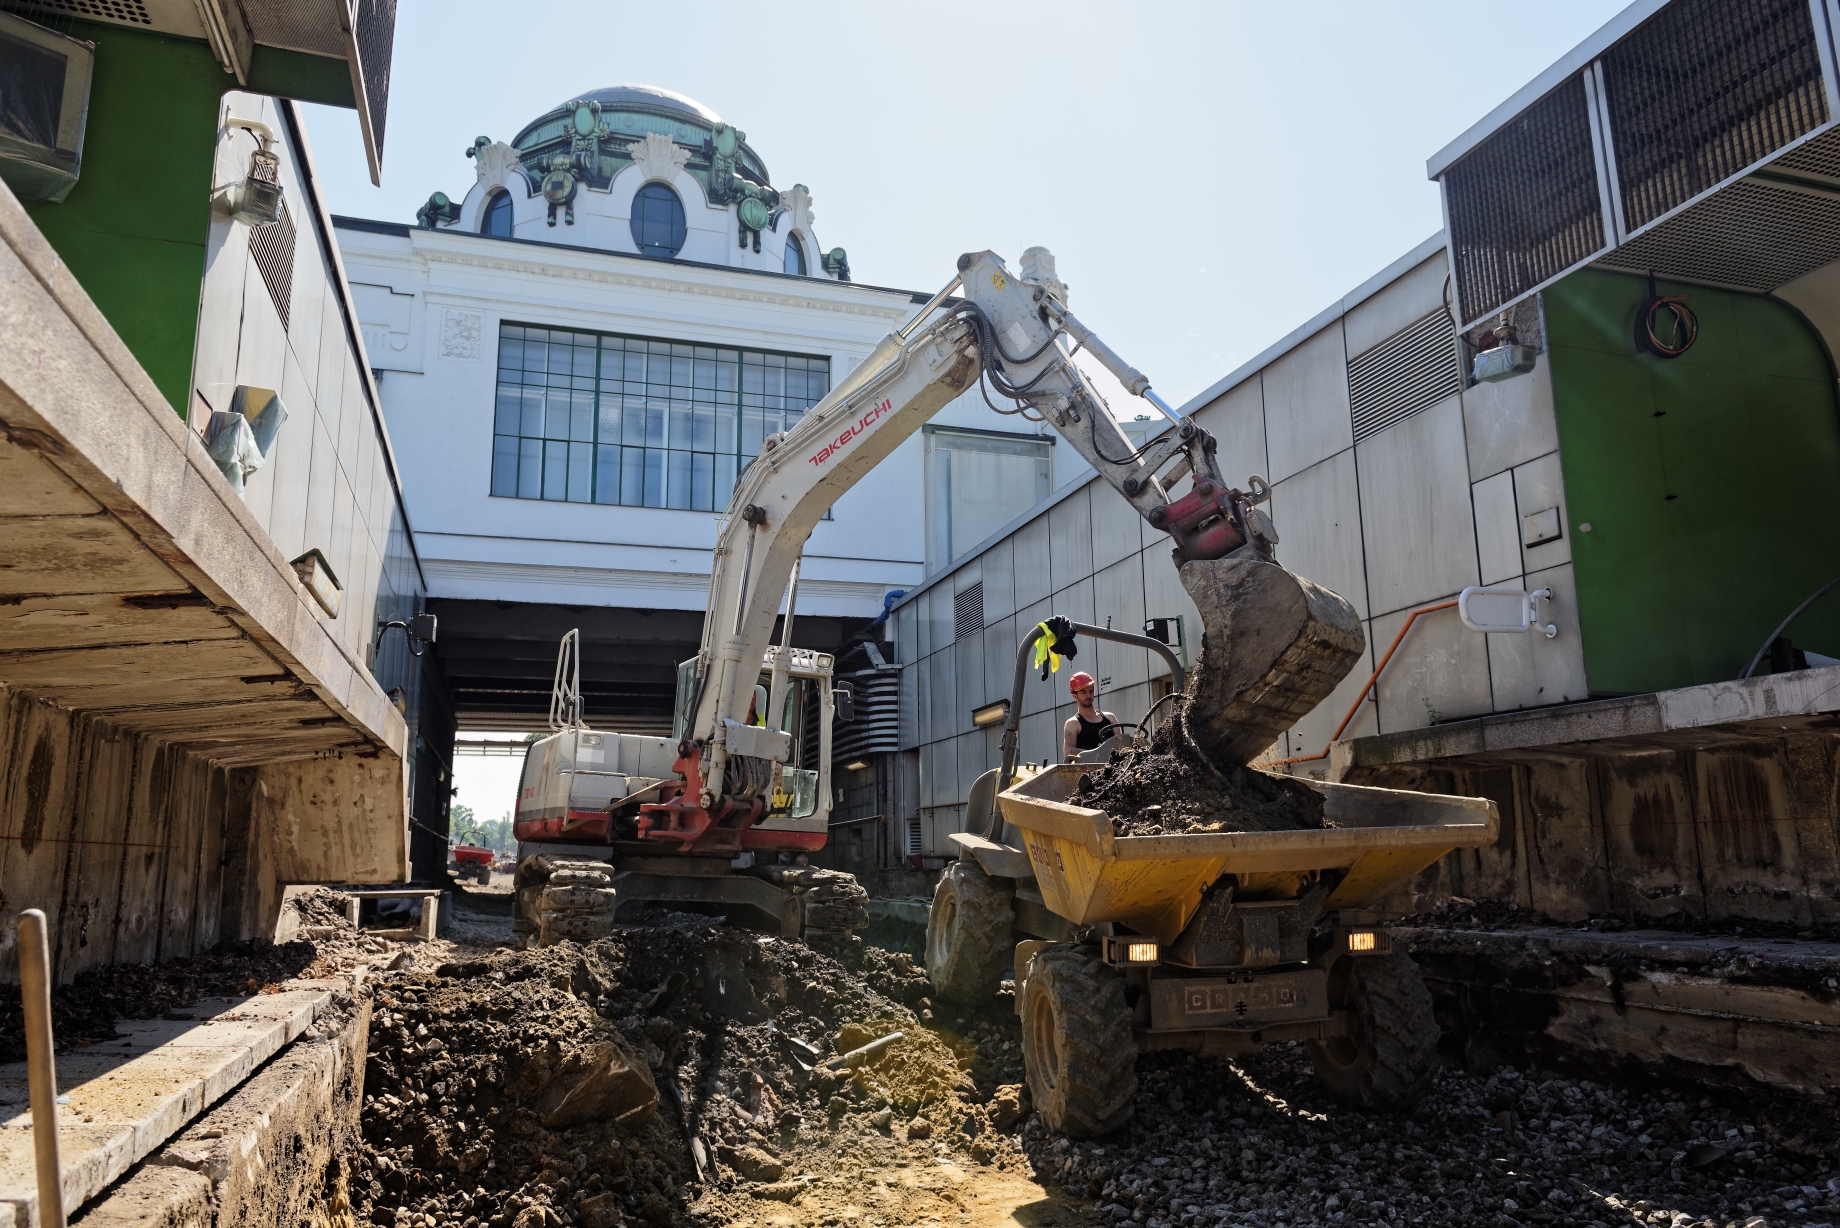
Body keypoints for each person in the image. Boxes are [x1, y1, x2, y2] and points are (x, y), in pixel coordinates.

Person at [1062, 672, 1119, 760]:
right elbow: (1068, 751)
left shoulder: (1110, 718)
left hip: (1115, 769)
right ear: (1074, 695)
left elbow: (1121, 744)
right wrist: (1097, 753)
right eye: (1083, 692)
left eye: (1091, 691)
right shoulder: (1073, 724)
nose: (1088, 696)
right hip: (1089, 771)